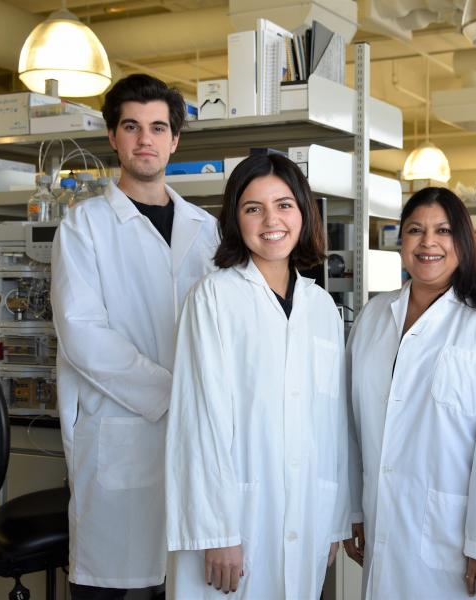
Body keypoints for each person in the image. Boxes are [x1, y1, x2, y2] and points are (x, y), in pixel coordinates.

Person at [51, 74, 219, 599]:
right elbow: (83, 335)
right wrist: (174, 393)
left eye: (157, 127)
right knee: (112, 585)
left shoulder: (207, 229)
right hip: (120, 432)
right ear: (113, 137)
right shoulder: (84, 226)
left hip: (197, 438)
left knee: (187, 580)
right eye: (132, 127)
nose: (145, 139)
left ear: (175, 141)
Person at [164, 153, 349, 599]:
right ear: (235, 219)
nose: (272, 220)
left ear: (303, 214)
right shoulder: (213, 297)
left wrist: (333, 518)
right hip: (235, 521)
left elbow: (334, 426)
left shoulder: (322, 306)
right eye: (254, 208)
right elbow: (198, 422)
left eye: (285, 205)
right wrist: (217, 530)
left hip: (307, 511)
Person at [344, 187, 476, 599]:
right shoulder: (376, 315)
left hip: (457, 533)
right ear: (402, 243)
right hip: (383, 516)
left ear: (463, 242)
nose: (428, 242)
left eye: (443, 231)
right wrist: (353, 509)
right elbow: (351, 424)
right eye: (415, 230)